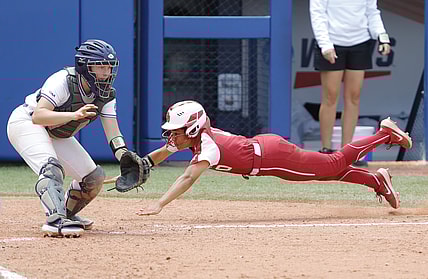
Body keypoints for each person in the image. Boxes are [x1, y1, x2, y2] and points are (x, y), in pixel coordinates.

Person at [137, 100, 411, 216]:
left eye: (176, 131)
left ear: (193, 127)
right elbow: (164, 152)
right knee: (326, 171)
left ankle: (385, 134)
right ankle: (377, 182)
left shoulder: (207, 146)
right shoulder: (196, 138)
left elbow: (187, 178)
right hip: (269, 156)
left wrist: (159, 204)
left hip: (273, 157)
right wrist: (145, 163)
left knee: (334, 163)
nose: (172, 137)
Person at [7, 39, 131, 237]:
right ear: (84, 66)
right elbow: (39, 116)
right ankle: (55, 220)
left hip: (57, 132)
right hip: (27, 123)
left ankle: (67, 214)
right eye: (100, 67)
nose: (106, 73)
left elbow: (113, 132)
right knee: (51, 168)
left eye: (109, 67)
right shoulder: (63, 80)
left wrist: (125, 156)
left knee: (93, 178)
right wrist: (74, 116)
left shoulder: (106, 94)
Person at [309, 0, 391, 161]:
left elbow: (372, 12)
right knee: (330, 97)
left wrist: (382, 36)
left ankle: (347, 153)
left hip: (360, 43)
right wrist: (325, 45)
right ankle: (326, 151)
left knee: (353, 98)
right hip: (331, 43)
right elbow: (317, 14)